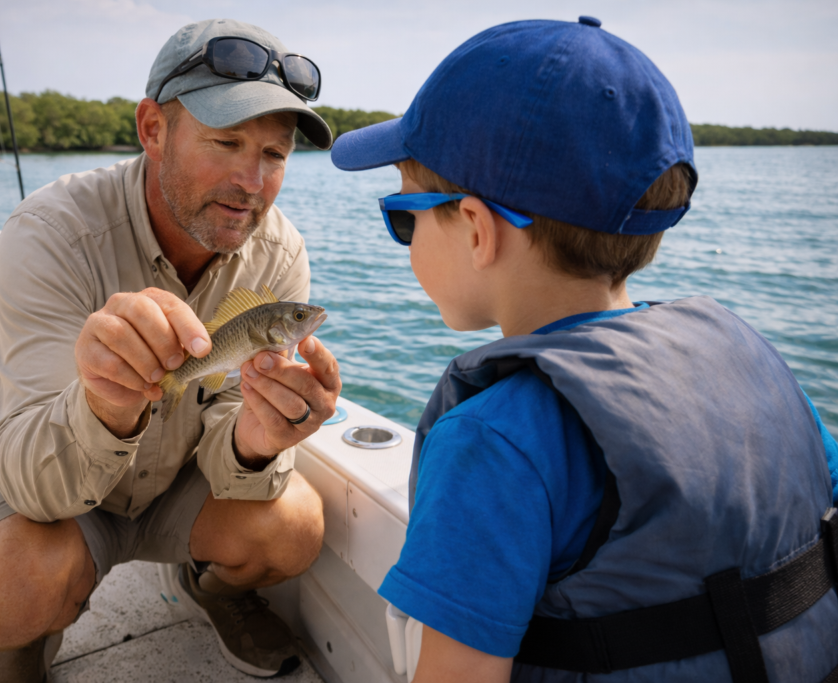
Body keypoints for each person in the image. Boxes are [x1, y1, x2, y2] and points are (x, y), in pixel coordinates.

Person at [331, 17, 838, 683]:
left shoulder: (491, 440)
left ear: (478, 230)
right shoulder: (756, 361)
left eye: (405, 217)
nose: (405, 237)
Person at [0, 19, 342, 682]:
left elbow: (235, 430)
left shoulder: (280, 252)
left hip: (182, 479)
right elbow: (24, 472)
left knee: (295, 525)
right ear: (153, 129)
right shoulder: (49, 233)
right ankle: (20, 641)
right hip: (61, 489)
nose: (253, 181)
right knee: (13, 586)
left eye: (275, 155)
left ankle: (212, 588)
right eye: (227, 142)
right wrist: (103, 404)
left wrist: (255, 440)